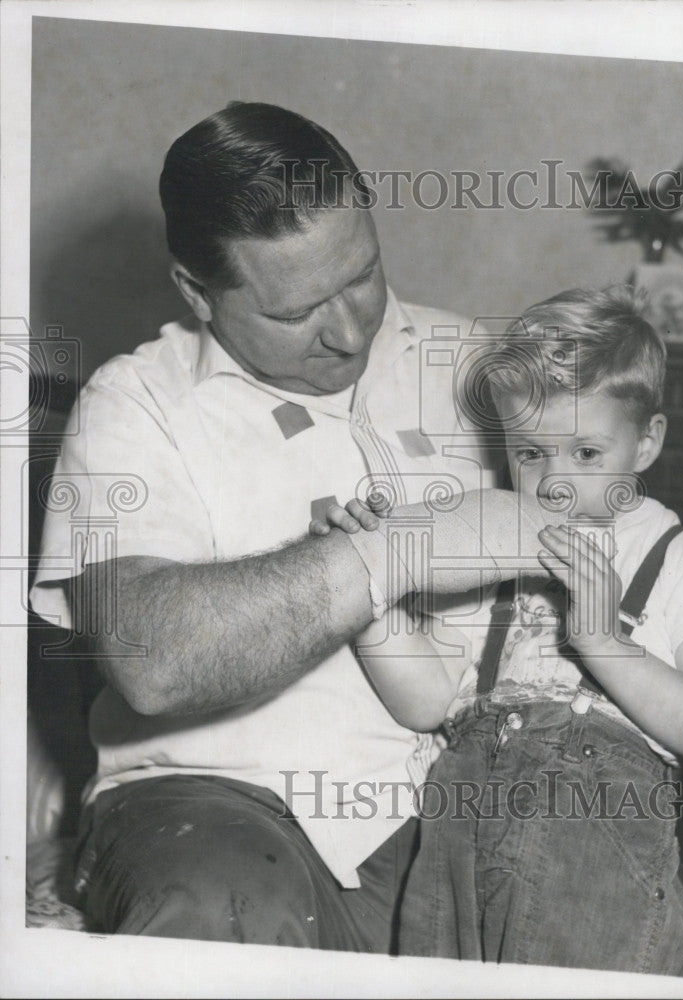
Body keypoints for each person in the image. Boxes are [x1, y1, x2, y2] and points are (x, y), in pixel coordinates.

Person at [29, 101, 529, 949]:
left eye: (361, 276)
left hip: (469, 800)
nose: (347, 331)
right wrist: (388, 553)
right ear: (197, 290)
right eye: (297, 312)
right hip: (217, 800)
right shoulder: (135, 404)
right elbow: (154, 659)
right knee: (221, 915)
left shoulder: (481, 364)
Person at [314, 286, 683, 972]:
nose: (552, 484)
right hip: (457, 845)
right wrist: (367, 591)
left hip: (591, 854)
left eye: (584, 454)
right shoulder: (496, 566)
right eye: (528, 453)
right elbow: (427, 701)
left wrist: (603, 640)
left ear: (645, 442)